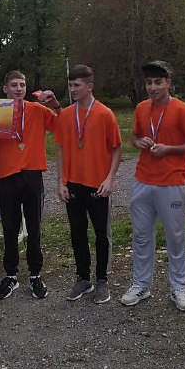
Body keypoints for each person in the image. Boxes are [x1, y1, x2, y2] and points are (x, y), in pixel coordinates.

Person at [121, 61, 185, 311]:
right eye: (149, 83)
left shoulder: (182, 110)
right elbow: (134, 136)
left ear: (168, 82)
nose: (153, 87)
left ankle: (179, 288)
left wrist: (170, 150)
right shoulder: (141, 108)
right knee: (141, 237)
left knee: (175, 238)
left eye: (158, 82)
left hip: (171, 182)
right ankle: (141, 284)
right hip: (142, 180)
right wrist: (138, 142)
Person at [0, 70, 60, 301]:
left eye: (22, 85)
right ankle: (11, 274)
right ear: (5, 88)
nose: (19, 88)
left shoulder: (37, 110)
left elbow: (62, 125)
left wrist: (56, 105)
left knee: (34, 227)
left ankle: (35, 274)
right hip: (7, 175)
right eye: (14, 85)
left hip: (32, 173)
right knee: (10, 227)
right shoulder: (0, 110)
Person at [55, 64, 122, 304]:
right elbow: (60, 149)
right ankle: (83, 278)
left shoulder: (105, 114)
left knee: (102, 235)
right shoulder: (66, 115)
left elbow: (117, 148)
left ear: (89, 86)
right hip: (73, 183)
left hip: (98, 185)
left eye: (77, 85)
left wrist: (110, 178)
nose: (72, 89)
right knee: (77, 233)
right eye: (70, 85)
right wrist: (61, 181)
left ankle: (102, 280)